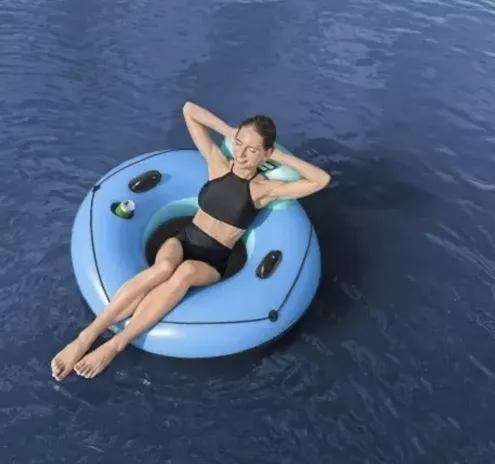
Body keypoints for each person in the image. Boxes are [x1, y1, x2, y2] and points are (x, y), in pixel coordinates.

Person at [51, 101, 331, 380]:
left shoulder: (263, 189)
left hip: (214, 259)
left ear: (266, 154)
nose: (242, 154)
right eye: (239, 144)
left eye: (252, 150)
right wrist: (229, 132)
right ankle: (85, 337)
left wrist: (279, 156)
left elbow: (320, 180)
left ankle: (115, 345)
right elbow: (189, 111)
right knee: (163, 268)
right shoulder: (218, 165)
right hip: (184, 238)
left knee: (184, 272)